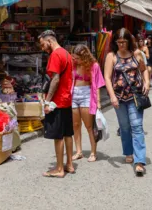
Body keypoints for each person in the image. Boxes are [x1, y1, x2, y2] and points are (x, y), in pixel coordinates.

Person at [104, 28, 150, 177]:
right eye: (118, 42)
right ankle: (128, 151)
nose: (121, 45)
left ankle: (140, 161)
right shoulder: (111, 56)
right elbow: (107, 77)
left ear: (129, 41)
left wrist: (147, 83)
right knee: (124, 127)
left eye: (124, 42)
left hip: (135, 95)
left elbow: (143, 70)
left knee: (137, 126)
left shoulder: (136, 54)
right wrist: (112, 96)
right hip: (119, 96)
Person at [38, 30, 74, 178]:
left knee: (57, 135)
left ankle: (59, 169)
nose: (42, 48)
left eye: (42, 44)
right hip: (66, 99)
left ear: (49, 41)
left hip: (57, 101)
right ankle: (69, 165)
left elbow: (55, 79)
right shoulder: (67, 54)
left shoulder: (55, 55)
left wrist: (47, 101)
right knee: (67, 133)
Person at [70, 44, 105, 163]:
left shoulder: (94, 65)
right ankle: (78, 151)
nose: (75, 60)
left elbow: (98, 84)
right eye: (74, 57)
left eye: (77, 58)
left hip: (86, 94)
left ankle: (93, 152)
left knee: (89, 126)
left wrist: (98, 102)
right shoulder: (73, 65)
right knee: (75, 125)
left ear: (84, 56)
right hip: (74, 94)